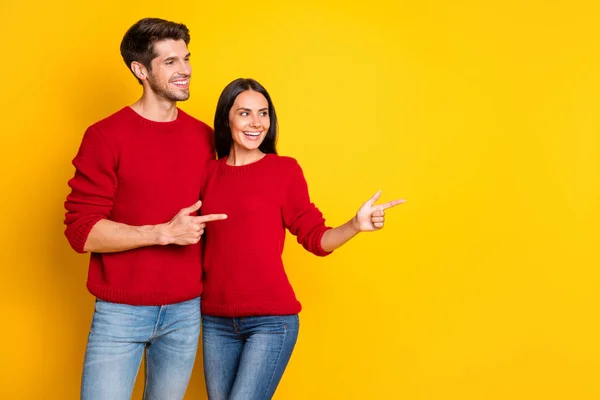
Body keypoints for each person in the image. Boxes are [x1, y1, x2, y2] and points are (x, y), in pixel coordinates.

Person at [199, 78, 405, 400]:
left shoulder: (283, 171)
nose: (256, 123)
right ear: (227, 118)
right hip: (215, 320)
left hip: (271, 321)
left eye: (263, 113)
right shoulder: (207, 174)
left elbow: (314, 237)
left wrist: (354, 224)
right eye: (245, 113)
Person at [63, 18, 226, 400]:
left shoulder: (204, 137)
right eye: (170, 62)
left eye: (185, 58)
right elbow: (81, 232)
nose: (185, 70)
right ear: (141, 70)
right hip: (120, 313)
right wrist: (162, 232)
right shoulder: (105, 136)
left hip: (186, 312)